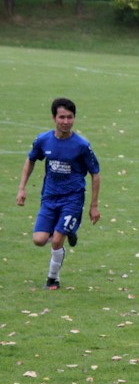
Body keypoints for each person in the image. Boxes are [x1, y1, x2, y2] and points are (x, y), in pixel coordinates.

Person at [16, 98, 101, 290]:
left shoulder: (81, 145)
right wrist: (22, 187)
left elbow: (95, 174)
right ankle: (68, 230)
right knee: (38, 240)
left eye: (70, 117)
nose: (66, 121)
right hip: (49, 197)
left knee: (56, 240)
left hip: (73, 198)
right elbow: (30, 161)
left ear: (74, 118)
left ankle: (52, 279)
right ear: (54, 117)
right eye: (62, 117)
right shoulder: (43, 140)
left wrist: (93, 206)